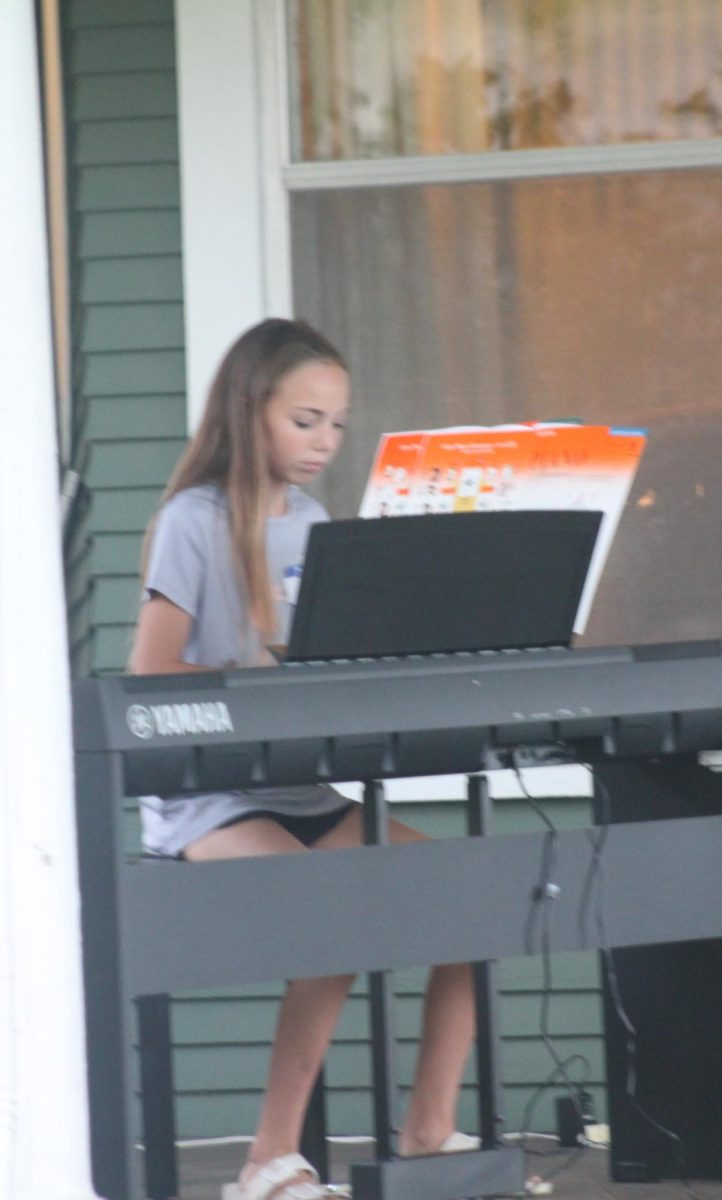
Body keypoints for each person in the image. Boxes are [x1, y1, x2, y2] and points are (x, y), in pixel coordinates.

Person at [129, 318, 476, 1200]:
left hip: (301, 787)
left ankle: (429, 1132)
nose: (324, 442)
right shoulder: (192, 521)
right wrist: (251, 676)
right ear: (251, 413)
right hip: (207, 799)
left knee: (466, 900)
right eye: (306, 420)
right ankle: (265, 1161)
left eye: (337, 425)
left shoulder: (318, 520)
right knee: (336, 911)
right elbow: (151, 672)